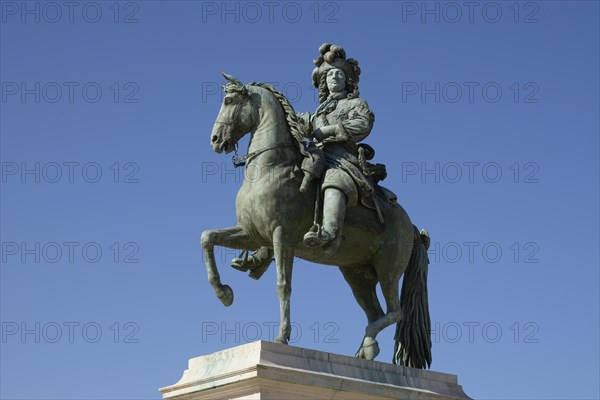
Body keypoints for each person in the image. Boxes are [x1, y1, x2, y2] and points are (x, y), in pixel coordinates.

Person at [231, 43, 376, 277]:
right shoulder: (318, 112)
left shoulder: (355, 104)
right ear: (323, 82)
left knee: (333, 179)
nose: (334, 78)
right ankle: (263, 252)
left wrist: (329, 131)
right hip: (315, 156)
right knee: (283, 189)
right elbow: (301, 123)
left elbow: (363, 124)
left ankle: (328, 232)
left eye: (339, 74)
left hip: (342, 157)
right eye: (329, 75)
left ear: (348, 80)